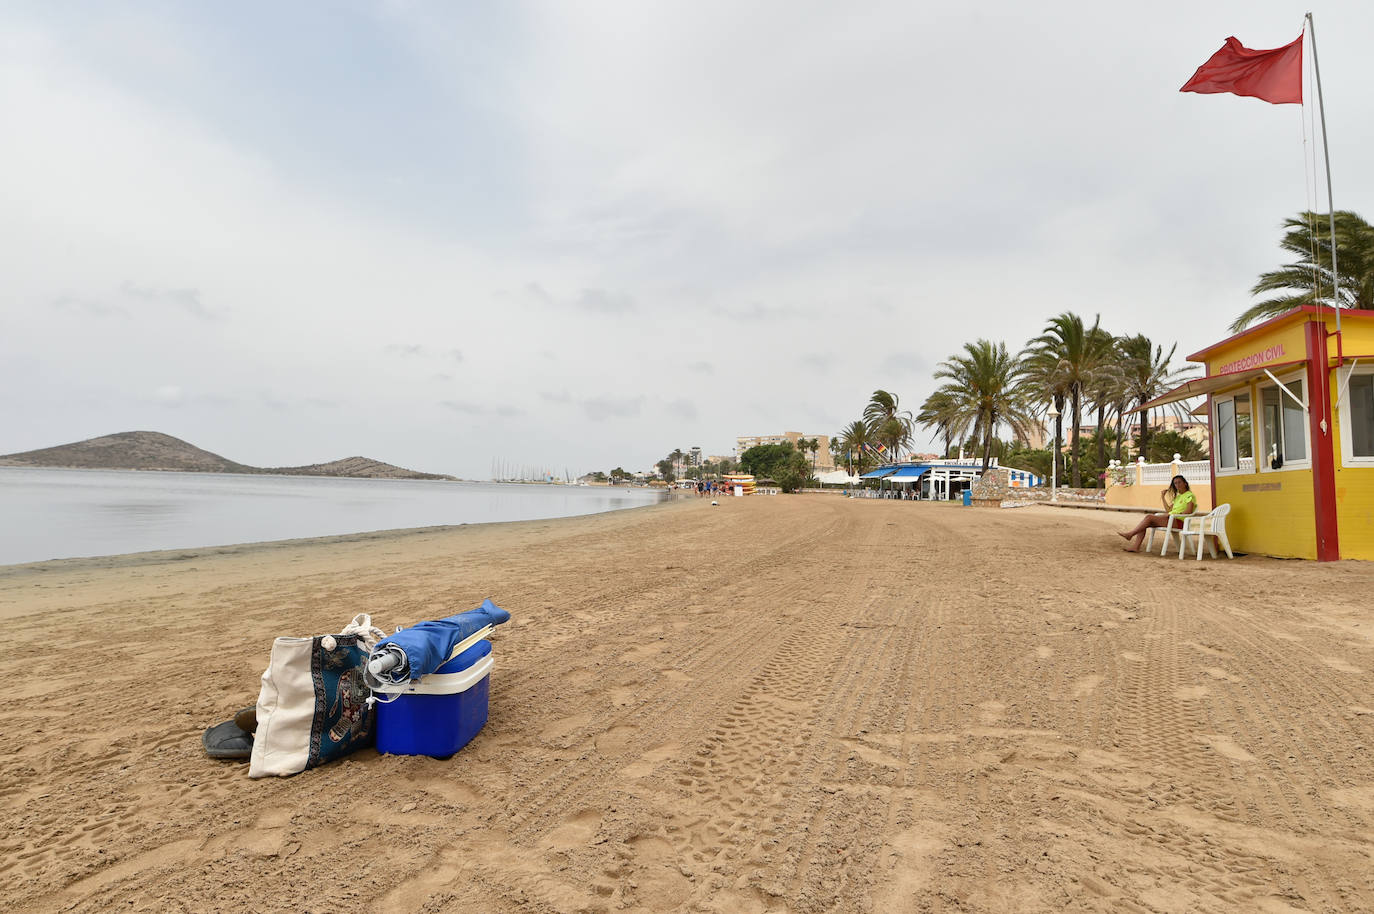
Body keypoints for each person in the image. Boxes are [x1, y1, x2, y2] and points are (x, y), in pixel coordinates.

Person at [1118, 475, 1197, 553]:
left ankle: (1130, 534)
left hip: (1179, 521)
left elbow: (1189, 511)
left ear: (1185, 483)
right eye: (1175, 483)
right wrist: (1163, 497)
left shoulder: (1189, 495)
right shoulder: (1178, 497)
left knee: (1149, 517)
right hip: (1171, 519)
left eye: (1179, 482)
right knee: (1144, 523)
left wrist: (1173, 515)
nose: (1177, 485)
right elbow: (1168, 510)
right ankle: (1135, 547)